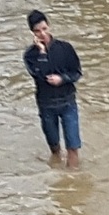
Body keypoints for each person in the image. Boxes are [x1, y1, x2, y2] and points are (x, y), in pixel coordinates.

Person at [23, 10, 83, 168]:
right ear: (32, 33)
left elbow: (77, 72)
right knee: (54, 148)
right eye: (37, 31)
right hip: (46, 104)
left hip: (68, 102)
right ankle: (57, 168)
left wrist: (62, 79)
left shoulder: (65, 48)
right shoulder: (30, 55)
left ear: (49, 26)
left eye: (44, 28)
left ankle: (73, 182)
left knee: (73, 146)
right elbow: (38, 75)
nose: (42, 33)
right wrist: (42, 53)